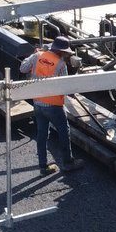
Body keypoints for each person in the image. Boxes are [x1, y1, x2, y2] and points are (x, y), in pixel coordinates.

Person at [19, 35, 80, 174]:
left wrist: (34, 54)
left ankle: (43, 166)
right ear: (61, 51)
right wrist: (72, 92)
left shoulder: (37, 56)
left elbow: (23, 68)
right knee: (64, 132)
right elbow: (64, 87)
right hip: (54, 106)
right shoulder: (60, 64)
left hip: (38, 103)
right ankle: (67, 162)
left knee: (41, 134)